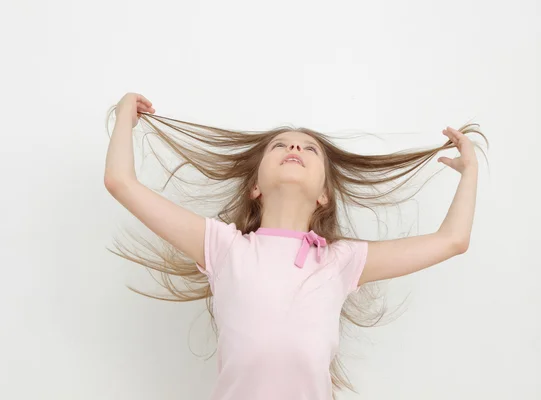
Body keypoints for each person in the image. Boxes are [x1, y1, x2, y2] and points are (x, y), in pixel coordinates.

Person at [104, 92, 486, 400]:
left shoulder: (341, 261)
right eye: (280, 145)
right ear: (255, 186)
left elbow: (452, 241)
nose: (295, 149)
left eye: (310, 149)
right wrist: (124, 115)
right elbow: (120, 182)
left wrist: (469, 173)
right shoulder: (223, 247)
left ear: (324, 194)